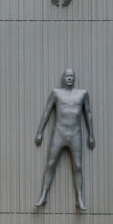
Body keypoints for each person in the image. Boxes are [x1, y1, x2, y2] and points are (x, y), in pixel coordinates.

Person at [34, 68, 95, 210]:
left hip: (75, 134)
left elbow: (88, 114)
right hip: (59, 133)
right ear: (63, 78)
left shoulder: (82, 94)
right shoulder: (56, 93)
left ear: (74, 78)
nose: (69, 78)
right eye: (67, 75)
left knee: (78, 166)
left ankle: (79, 198)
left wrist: (91, 135)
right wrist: (40, 132)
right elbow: (47, 111)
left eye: (71, 76)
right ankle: (43, 195)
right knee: (50, 163)